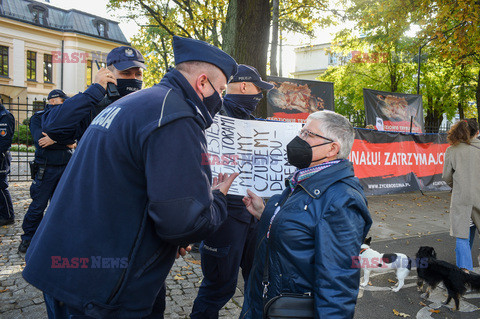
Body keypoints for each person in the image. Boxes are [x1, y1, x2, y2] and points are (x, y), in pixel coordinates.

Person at [22, 35, 239, 319]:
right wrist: (218, 199)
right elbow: (183, 224)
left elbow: (127, 188)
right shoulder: (177, 117)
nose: (221, 100)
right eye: (221, 90)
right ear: (202, 83)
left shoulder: (139, 102)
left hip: (67, 270)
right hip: (103, 290)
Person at [239, 110, 372, 318]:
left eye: (308, 134)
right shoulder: (303, 180)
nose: (299, 138)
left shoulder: (342, 200)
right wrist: (264, 214)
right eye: (301, 131)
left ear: (332, 148)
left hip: (287, 309)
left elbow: (337, 284)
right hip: (264, 303)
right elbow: (299, 229)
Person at [191, 65, 273, 318]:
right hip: (223, 215)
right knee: (219, 287)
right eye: (259, 90)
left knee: (257, 282)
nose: (260, 96)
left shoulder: (254, 123)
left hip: (253, 215)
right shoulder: (209, 114)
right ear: (246, 87)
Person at [42, 46, 146, 142]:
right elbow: (53, 127)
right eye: (126, 73)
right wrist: (92, 93)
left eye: (138, 74)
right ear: (109, 74)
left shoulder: (148, 105)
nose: (133, 78)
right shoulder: (93, 106)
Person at [18, 90, 75, 252]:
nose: (60, 104)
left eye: (62, 101)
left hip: (66, 167)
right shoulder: (38, 117)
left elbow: (75, 139)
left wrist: (54, 139)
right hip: (45, 169)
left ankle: (57, 238)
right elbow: (40, 141)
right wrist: (66, 142)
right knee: (38, 205)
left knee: (61, 206)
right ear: (50, 101)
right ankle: (28, 238)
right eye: (57, 101)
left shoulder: (69, 117)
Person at [442, 118, 480, 272]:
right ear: (476, 133)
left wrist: (457, 186)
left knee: (462, 234)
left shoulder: (452, 150)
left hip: (461, 197)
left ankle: (465, 272)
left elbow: (446, 176)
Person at [0, 101, 15, 226]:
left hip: (1, 156)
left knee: (1, 186)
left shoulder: (5, 116)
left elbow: (5, 141)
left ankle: (8, 216)